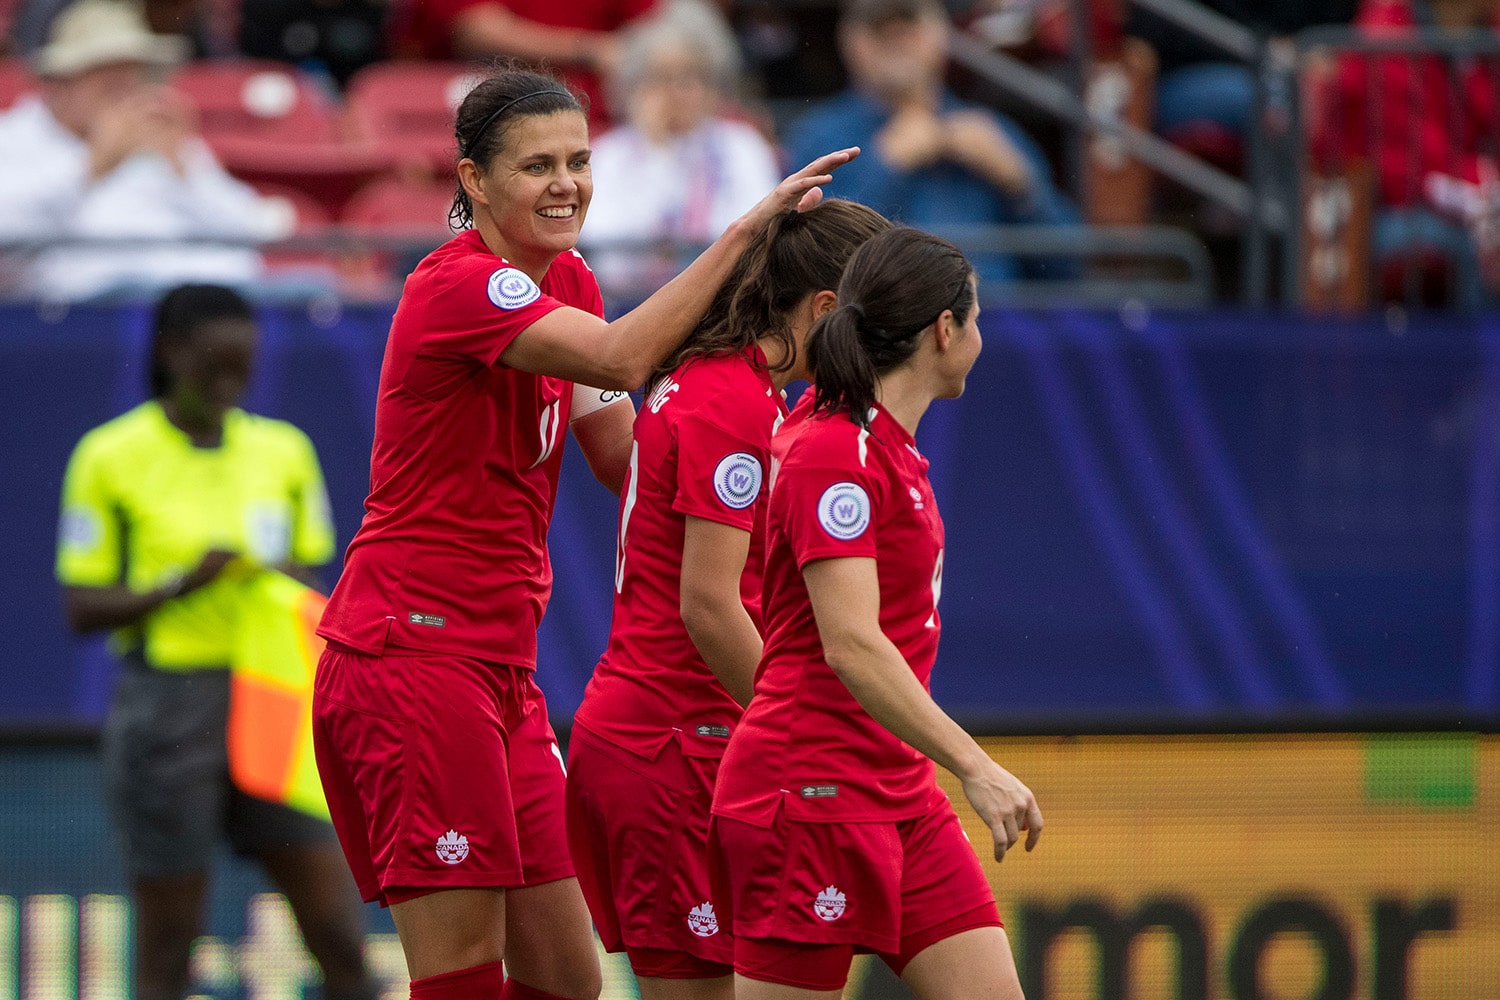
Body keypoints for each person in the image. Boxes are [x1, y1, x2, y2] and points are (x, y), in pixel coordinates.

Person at [309, 66, 856, 1000]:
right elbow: (621, 357)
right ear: (474, 182)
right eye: (536, 166)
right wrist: (748, 231)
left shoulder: (566, 278)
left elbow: (622, 456)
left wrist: (744, 446)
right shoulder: (458, 287)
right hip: (412, 654)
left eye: (579, 159)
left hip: (499, 668)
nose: (567, 182)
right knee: (465, 979)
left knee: (569, 980)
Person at [565, 198, 891, 1000]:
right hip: (672, 747)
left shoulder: (721, 382)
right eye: (871, 323)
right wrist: (802, 737)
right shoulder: (731, 399)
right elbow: (708, 606)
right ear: (822, 310)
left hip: (677, 738)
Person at [708, 227, 1043, 999]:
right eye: (978, 318)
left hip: (898, 792)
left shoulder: (876, 444)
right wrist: (976, 765)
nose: (981, 337)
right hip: (809, 794)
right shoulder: (835, 451)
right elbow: (851, 646)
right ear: (944, 331)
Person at [55, 284, 376, 1000]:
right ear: (170, 354)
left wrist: (271, 575)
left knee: (338, 934)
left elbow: (311, 573)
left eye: (243, 367)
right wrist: (181, 583)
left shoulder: (283, 450)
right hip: (169, 706)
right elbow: (82, 606)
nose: (229, 384)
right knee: (170, 947)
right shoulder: (108, 456)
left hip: (276, 700)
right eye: (213, 366)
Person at [782, 0, 1078, 286]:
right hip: (878, 326)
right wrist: (884, 167)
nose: (896, 44)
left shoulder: (993, 132)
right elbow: (805, 267)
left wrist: (1021, 186)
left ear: (942, 34)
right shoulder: (817, 139)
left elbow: (1070, 267)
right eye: (879, 33)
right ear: (848, 41)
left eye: (908, 29)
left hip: (997, 320)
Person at [0, 0, 281, 301]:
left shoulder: (160, 135)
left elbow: (251, 229)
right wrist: (92, 166)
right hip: (89, 304)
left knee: (310, 291)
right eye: (108, 83)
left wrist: (184, 169)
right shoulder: (14, 137)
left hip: (198, 295)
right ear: (61, 84)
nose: (125, 95)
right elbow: (8, 233)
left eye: (132, 79)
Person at [582, 0, 781, 301]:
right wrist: (657, 150)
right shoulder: (607, 156)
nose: (675, 92)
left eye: (690, 77)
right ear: (632, 88)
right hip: (630, 309)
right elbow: (610, 260)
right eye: (659, 78)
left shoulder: (742, 145)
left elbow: (757, 235)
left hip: (729, 304)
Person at [388, 0, 659, 133]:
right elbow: (477, 30)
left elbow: (653, 27)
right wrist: (587, 49)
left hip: (596, 124)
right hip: (491, 120)